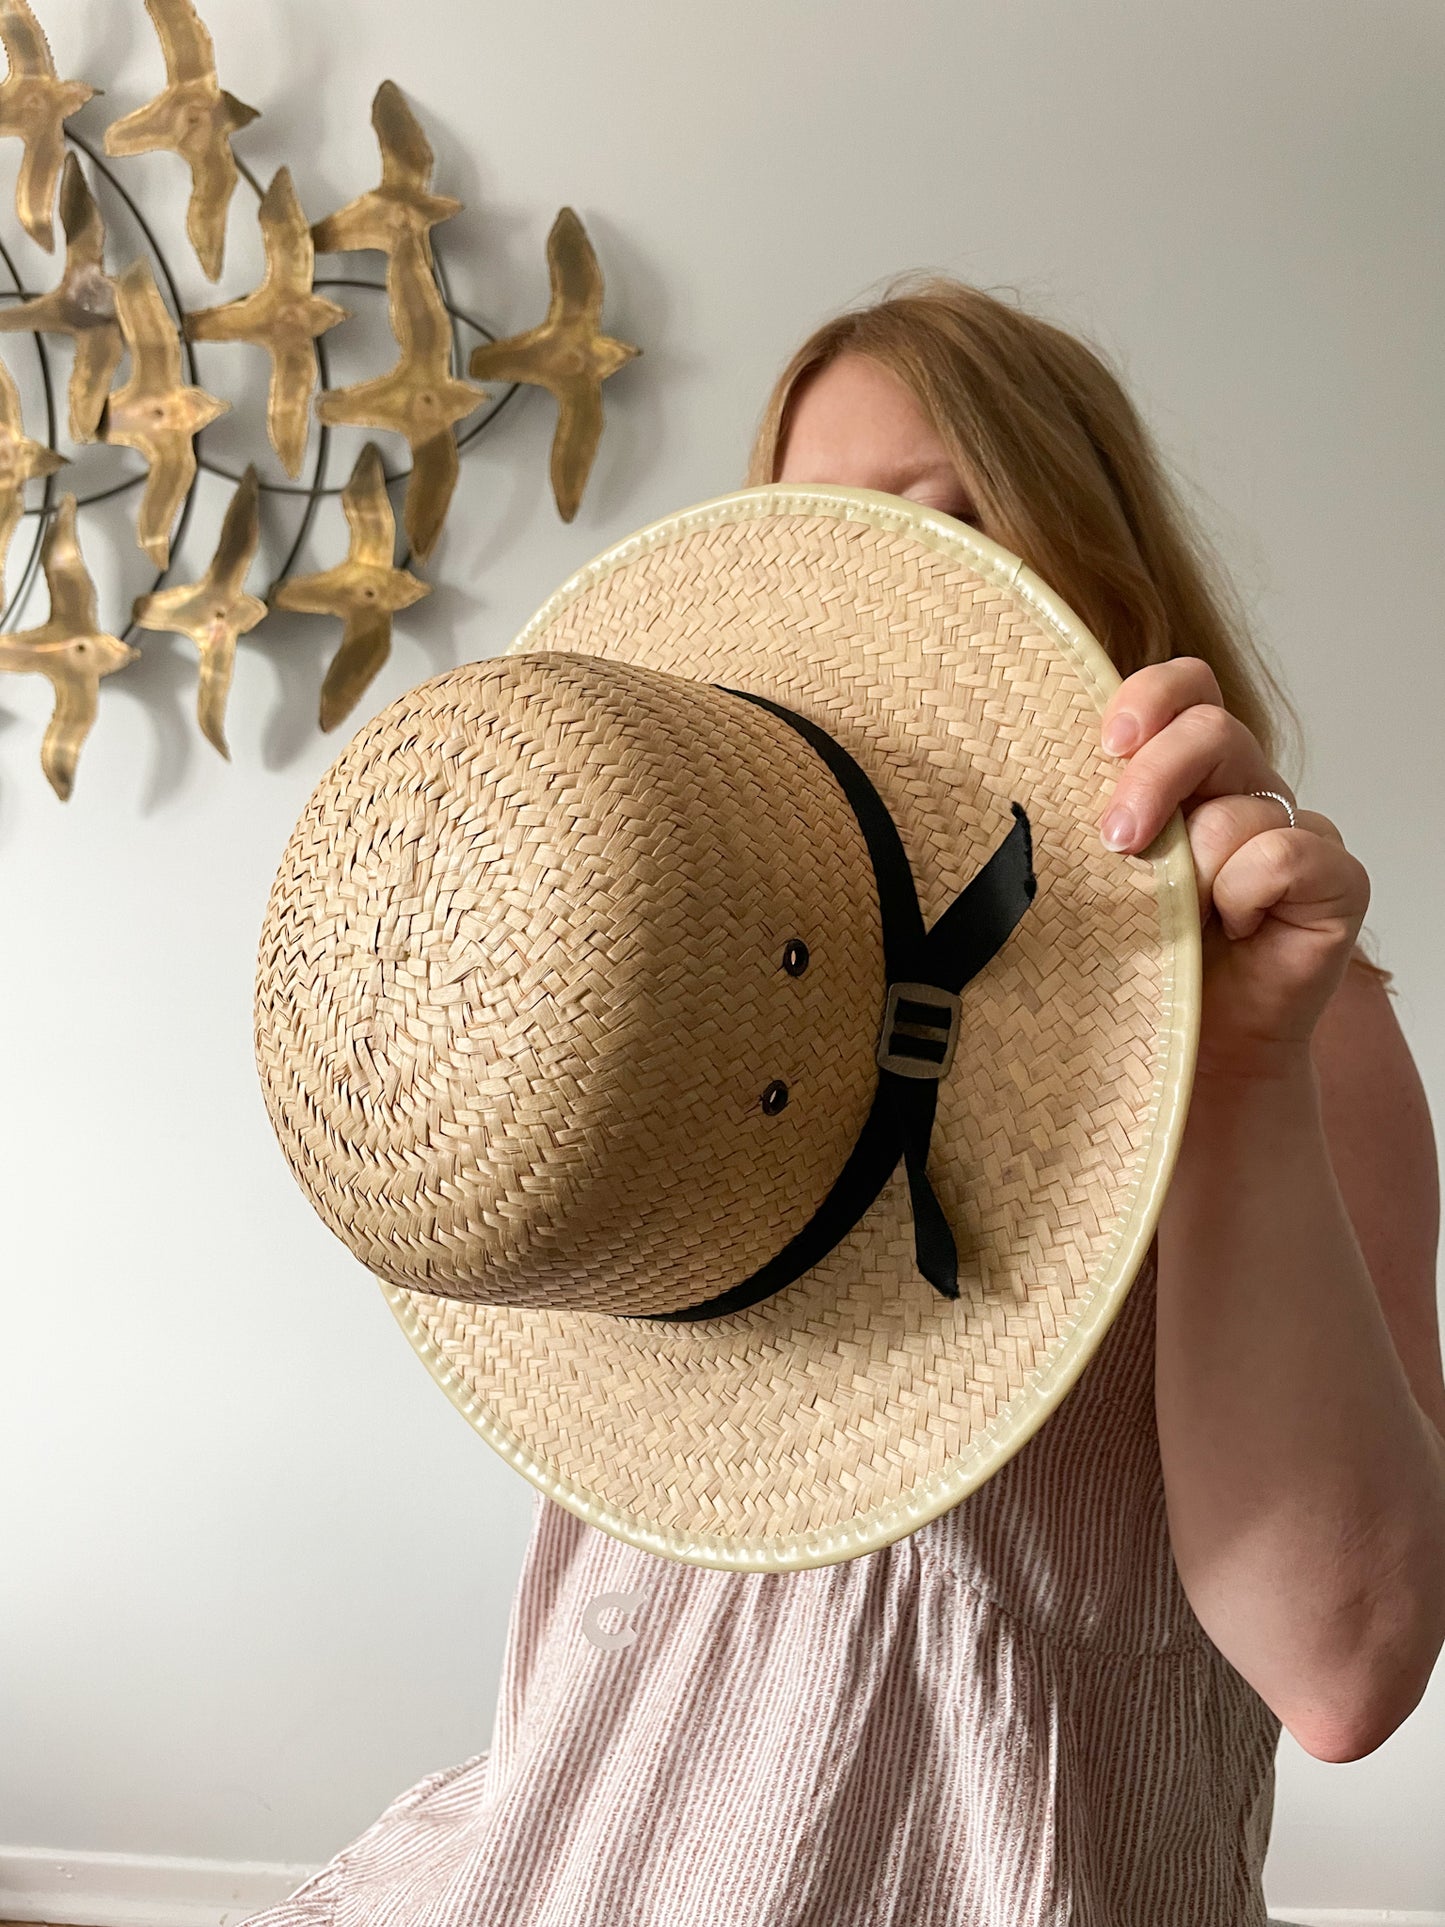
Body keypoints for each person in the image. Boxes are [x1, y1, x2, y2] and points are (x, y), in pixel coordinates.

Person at [241, 275, 1444, 1927]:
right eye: (815, 525)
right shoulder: (709, 1010)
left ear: (1094, 564)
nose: (888, 572)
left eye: (944, 519)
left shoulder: (1295, 1031)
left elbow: (1344, 1665)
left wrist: (1233, 1061)